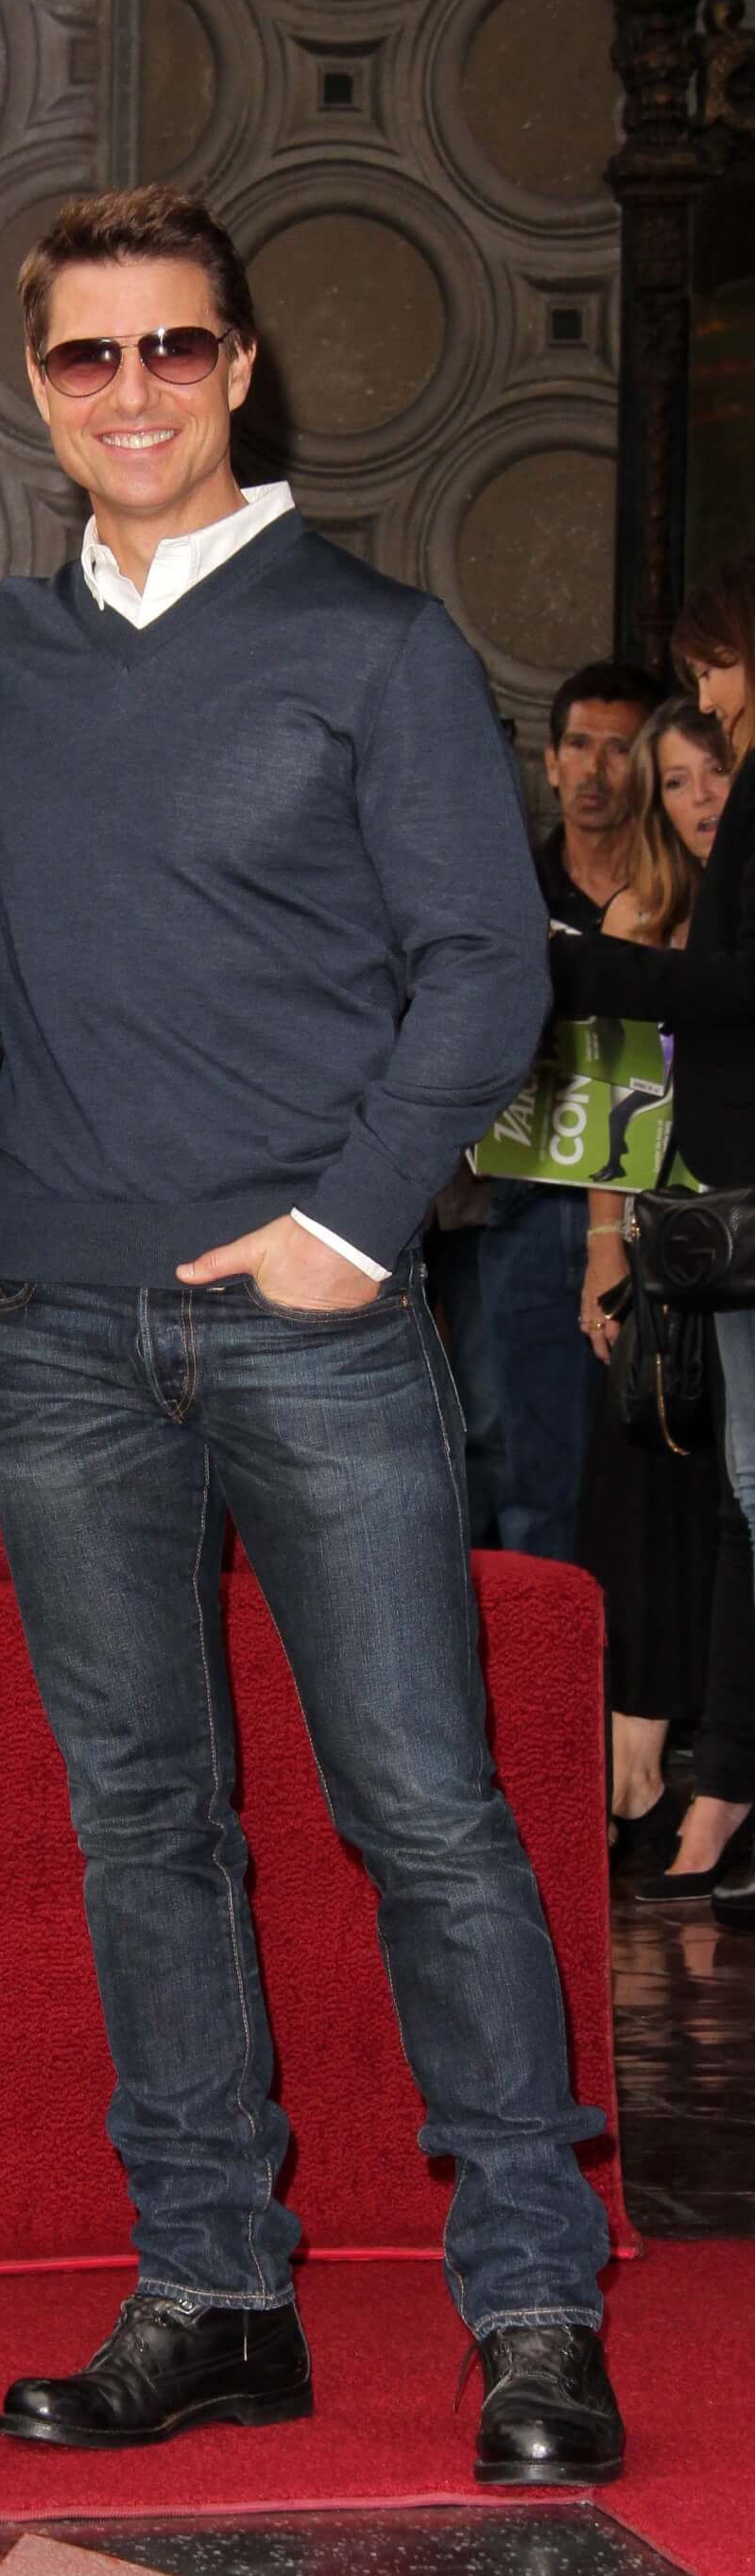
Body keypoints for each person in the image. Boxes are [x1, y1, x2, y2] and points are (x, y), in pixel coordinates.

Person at [0, 184, 621, 2489]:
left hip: (316, 1321)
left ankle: (533, 2301)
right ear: (33, 389)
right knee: (146, 1822)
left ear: (241, 370)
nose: (129, 389)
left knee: (428, 1812)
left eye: (171, 348)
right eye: (83, 356)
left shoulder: (380, 646)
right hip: (46, 1315)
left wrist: (352, 1223)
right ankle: (215, 2285)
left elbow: (488, 972)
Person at [551, 554, 755, 1927]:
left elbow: (728, 996)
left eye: (713, 672)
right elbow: (612, 1104)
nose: (710, 715)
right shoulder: (654, 891)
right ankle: (711, 1790)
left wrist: (577, 963)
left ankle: (714, 1792)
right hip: (696, 1232)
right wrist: (603, 1238)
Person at [575, 699, 734, 1865]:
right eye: (675, 782)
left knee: (729, 1503)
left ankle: (701, 1768)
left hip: (739, 1233)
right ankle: (634, 1763)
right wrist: (602, 1249)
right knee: (642, 1479)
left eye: (711, 774)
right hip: (657, 1240)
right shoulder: (638, 911)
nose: (699, 800)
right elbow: (601, 1115)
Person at [476, 661, 664, 1562]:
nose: (597, 770)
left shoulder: (679, 896)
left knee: (657, 1461)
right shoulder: (502, 892)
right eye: (579, 746)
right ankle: (543, 1686)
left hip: (663, 1205)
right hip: (518, 1201)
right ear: (549, 763)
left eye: (621, 748)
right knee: (520, 1456)